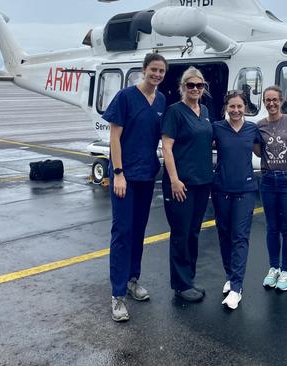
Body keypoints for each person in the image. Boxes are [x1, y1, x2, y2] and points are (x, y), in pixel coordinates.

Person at [102, 53, 167, 322]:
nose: (157, 75)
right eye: (153, 70)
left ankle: (132, 279)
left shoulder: (161, 101)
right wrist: (118, 172)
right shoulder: (126, 97)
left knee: (139, 230)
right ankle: (117, 295)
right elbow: (114, 137)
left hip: (146, 175)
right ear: (144, 70)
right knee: (122, 232)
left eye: (162, 71)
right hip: (125, 176)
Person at [161, 67, 213, 303]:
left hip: (202, 182)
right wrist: (174, 180)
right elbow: (167, 147)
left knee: (193, 232)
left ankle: (188, 279)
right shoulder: (175, 112)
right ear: (183, 87)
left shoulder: (204, 111)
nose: (195, 89)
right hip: (181, 183)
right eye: (190, 85)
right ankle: (181, 284)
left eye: (199, 85)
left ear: (204, 88)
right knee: (181, 233)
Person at [255, 86, 287, 291]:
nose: (271, 103)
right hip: (268, 180)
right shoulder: (259, 126)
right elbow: (259, 152)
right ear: (263, 103)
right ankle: (273, 268)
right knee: (272, 228)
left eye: (275, 100)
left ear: (282, 100)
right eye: (267, 100)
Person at [212, 90, 261, 309]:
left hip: (245, 190)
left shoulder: (252, 129)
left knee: (240, 237)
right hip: (221, 188)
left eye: (240, 106)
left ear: (245, 108)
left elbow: (263, 151)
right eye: (232, 106)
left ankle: (236, 287)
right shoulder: (217, 128)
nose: (236, 110)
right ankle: (231, 275)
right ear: (226, 108)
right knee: (224, 235)